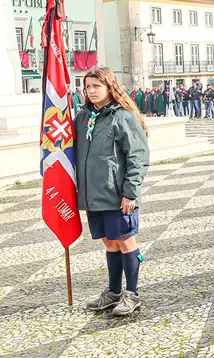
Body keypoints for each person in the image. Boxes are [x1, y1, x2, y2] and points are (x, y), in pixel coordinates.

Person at [75, 67, 150, 316]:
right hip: (94, 195)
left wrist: (130, 192)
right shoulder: (83, 116)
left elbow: (137, 157)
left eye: (97, 86)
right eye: (88, 87)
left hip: (118, 195)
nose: (92, 91)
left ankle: (133, 294)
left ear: (110, 87)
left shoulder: (123, 117)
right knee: (109, 242)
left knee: (126, 240)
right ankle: (114, 292)